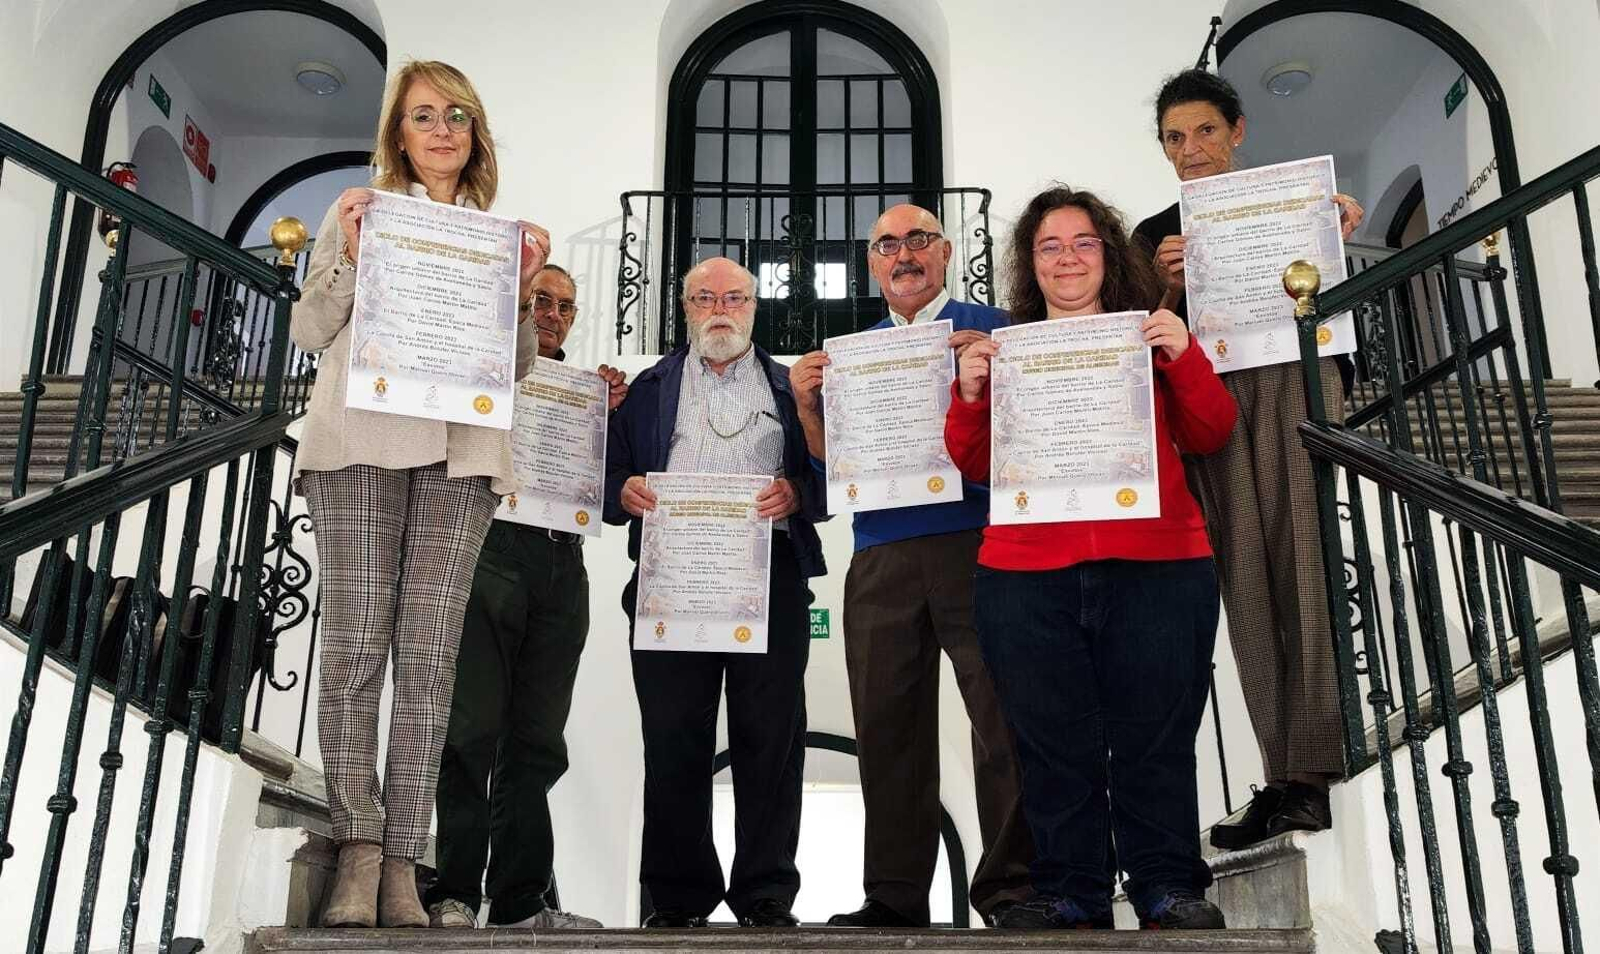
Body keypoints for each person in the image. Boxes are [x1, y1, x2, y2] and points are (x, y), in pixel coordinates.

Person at [290, 60, 550, 929]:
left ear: (474, 136)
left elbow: (511, 371)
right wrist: (354, 262)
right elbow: (309, 327)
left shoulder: (496, 234)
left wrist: (516, 294)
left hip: (461, 456)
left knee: (433, 662)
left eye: (459, 117)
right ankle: (358, 846)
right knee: (359, 646)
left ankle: (405, 857)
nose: (442, 130)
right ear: (397, 133)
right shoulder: (356, 212)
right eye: (424, 116)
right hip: (360, 441)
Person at [946, 186, 1237, 929]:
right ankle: (1072, 892)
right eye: (1049, 245)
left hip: (1160, 566)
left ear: (1108, 256)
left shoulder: (1150, 338)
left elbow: (1209, 431)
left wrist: (1183, 356)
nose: (1067, 257)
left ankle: (1168, 888)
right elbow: (976, 465)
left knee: (1157, 740)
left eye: (1083, 243)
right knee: (1051, 747)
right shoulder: (1004, 349)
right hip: (1023, 577)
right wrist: (973, 393)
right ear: (1029, 264)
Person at [1131, 69, 1365, 851]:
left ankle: (1322, 762)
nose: (1190, 149)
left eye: (1203, 130)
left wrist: (1338, 235)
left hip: (1301, 380)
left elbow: (1329, 302)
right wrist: (1164, 289)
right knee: (1246, 580)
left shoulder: (1298, 201)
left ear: (1238, 131)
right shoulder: (1152, 235)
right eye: (1173, 137)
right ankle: (1283, 775)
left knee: (1308, 562)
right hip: (1212, 398)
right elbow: (1138, 347)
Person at [787, 204, 1033, 928]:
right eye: (887, 245)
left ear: (946, 251)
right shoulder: (851, 356)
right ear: (872, 264)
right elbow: (833, 473)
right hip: (880, 553)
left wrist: (984, 379)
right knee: (887, 729)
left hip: (981, 542)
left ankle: (1012, 891)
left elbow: (1035, 437)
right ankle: (895, 898)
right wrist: (807, 409)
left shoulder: (996, 329)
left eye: (918, 240)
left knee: (1001, 719)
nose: (904, 254)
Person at [604, 257, 828, 929]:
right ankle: (677, 897)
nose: (719, 308)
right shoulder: (649, 387)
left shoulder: (791, 387)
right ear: (686, 309)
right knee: (673, 739)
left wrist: (800, 491)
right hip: (670, 582)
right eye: (704, 297)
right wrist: (622, 489)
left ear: (755, 308)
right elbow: (608, 466)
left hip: (771, 578)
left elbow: (833, 470)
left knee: (772, 739)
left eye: (733, 296)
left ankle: (764, 892)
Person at [424, 265, 627, 930]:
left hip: (562, 562)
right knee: (472, 728)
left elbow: (612, 495)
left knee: (538, 741)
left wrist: (607, 419)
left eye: (567, 306)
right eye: (543, 299)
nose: (554, 314)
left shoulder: (587, 393)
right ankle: (454, 888)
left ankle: (519, 900)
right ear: (519, 301)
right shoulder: (485, 366)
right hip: (491, 546)